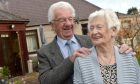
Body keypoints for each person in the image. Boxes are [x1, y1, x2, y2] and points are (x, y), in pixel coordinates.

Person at [37, 1, 133, 84]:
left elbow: (107, 47)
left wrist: (121, 48)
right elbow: (45, 81)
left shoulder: (90, 39)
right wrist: (71, 60)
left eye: (71, 19)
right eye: (62, 20)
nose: (68, 24)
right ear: (52, 25)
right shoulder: (45, 52)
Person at [73, 9, 140, 84]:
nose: (94, 32)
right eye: (91, 28)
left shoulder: (129, 57)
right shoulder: (81, 61)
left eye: (99, 27)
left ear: (113, 31)